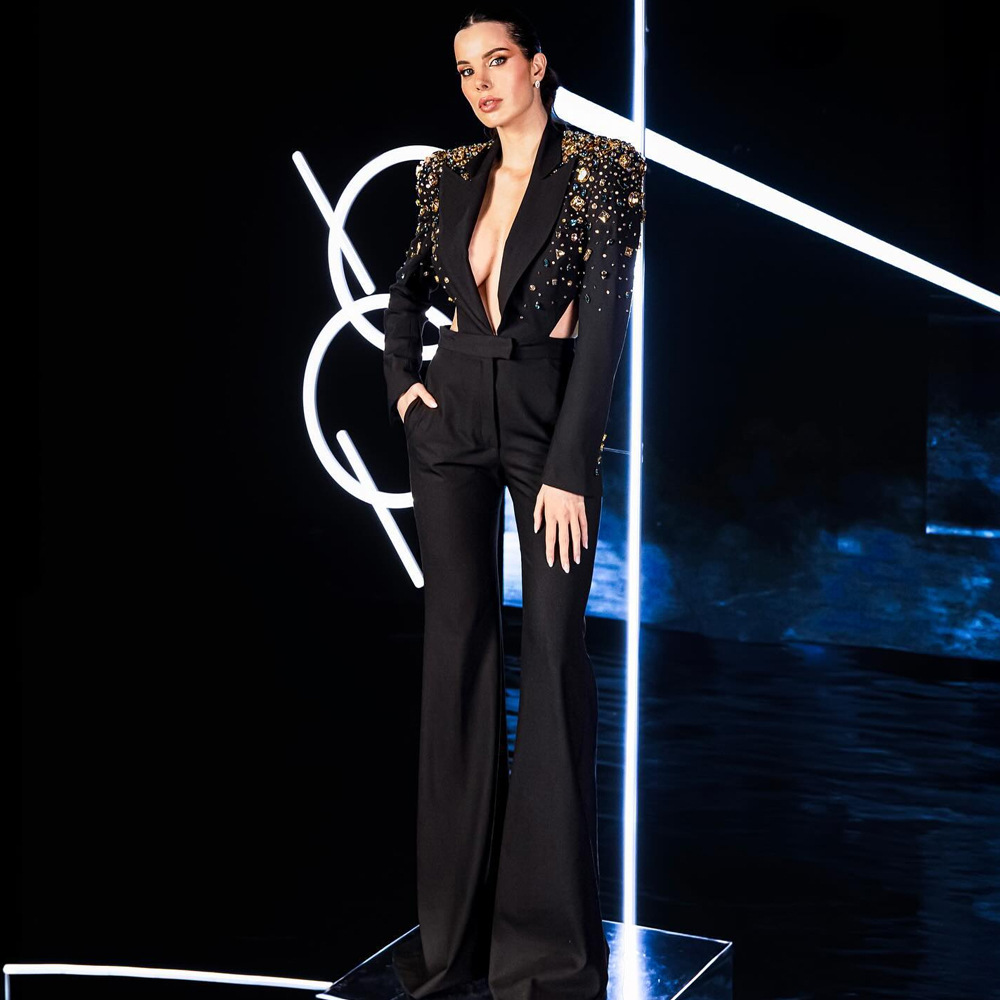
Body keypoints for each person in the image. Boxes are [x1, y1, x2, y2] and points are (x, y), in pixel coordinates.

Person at [383, 7, 646, 999]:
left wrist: (573, 464)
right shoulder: (444, 173)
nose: (482, 83)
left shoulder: (604, 168)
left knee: (551, 654)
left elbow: (607, 325)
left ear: (537, 64)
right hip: (450, 418)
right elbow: (407, 289)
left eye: (497, 61)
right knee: (452, 656)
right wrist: (405, 388)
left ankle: (546, 957)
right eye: (465, 70)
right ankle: (451, 943)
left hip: (546, 422)